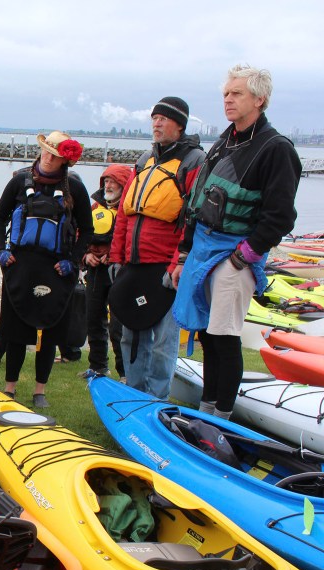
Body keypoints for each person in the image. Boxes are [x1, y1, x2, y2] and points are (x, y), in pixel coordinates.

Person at [173, 65, 301, 420]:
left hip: (233, 254)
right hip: (203, 249)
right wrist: (184, 254)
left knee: (225, 336)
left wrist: (243, 257)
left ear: (260, 99)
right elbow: (197, 202)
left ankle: (221, 419)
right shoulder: (226, 140)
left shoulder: (276, 149)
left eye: (237, 94)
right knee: (209, 336)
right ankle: (206, 408)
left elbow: (280, 215)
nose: (228, 100)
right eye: (226, 94)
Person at [109, 97, 205, 400]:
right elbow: (125, 214)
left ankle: (157, 399)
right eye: (154, 119)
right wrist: (117, 257)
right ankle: (134, 395)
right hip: (134, 264)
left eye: (163, 119)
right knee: (131, 335)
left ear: (179, 125)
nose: (157, 124)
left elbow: (194, 217)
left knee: (164, 341)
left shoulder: (193, 161)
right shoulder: (144, 161)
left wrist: (178, 263)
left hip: (166, 268)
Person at [0, 131, 93, 408]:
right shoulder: (18, 182)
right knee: (15, 331)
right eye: (46, 151)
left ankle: (40, 391)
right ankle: (9, 388)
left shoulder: (75, 189)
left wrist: (72, 261)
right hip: (20, 265)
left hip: (56, 269)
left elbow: (88, 230)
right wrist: (2, 250)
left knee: (50, 332)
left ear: (64, 161)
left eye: (56, 155)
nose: (48, 158)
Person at [80, 164, 131, 379]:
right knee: (93, 318)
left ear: (123, 185)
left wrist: (115, 255)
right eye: (106, 181)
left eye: (113, 182)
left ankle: (124, 372)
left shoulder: (130, 209)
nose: (108, 186)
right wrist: (85, 256)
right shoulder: (94, 209)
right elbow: (79, 236)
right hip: (96, 271)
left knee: (118, 325)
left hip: (120, 271)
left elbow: (132, 239)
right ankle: (98, 366)